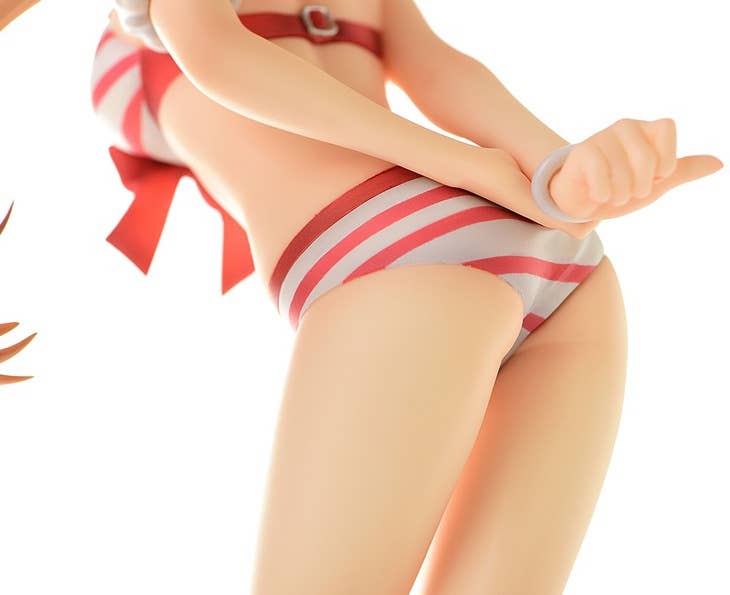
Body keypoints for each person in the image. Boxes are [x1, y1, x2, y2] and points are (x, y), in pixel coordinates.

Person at [0, 0, 723, 593]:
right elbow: (440, 68)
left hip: (387, 247)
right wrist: (552, 172)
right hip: (568, 277)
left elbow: (217, 54)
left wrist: (543, 170)